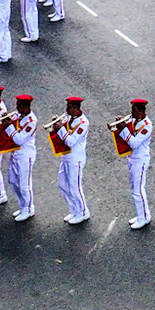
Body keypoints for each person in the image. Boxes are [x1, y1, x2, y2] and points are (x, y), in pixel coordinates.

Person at [111, 98, 154, 229]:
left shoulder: (147, 125)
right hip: (132, 159)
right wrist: (120, 123)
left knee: (138, 190)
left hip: (140, 160)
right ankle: (142, 214)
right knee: (134, 188)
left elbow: (134, 143)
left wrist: (123, 129)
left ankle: (144, 218)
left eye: (134, 110)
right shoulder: (134, 119)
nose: (131, 112)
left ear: (141, 111)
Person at [50, 96, 90, 224]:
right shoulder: (68, 118)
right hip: (66, 156)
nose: (66, 110)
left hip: (76, 159)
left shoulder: (83, 123)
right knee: (62, 184)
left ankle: (83, 212)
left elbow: (70, 141)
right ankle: (74, 210)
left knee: (75, 187)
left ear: (76, 108)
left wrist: (60, 128)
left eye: (69, 108)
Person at [6, 94, 38, 221]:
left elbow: (18, 139)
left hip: (26, 155)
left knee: (24, 184)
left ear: (25, 106)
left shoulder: (31, 121)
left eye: (19, 105)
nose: (16, 107)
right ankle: (22, 206)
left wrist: (9, 126)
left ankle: (29, 208)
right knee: (13, 180)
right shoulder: (17, 115)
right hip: (15, 153)